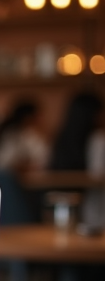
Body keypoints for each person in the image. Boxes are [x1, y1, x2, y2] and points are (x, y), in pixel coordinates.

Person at [49, 92, 105, 230]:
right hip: (96, 211)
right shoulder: (98, 139)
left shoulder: (62, 139)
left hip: (61, 214)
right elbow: (98, 174)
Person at [0, 99, 49, 175]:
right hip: (6, 178)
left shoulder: (10, 132)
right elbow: (5, 162)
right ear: (28, 118)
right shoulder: (16, 135)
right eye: (39, 116)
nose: (42, 119)